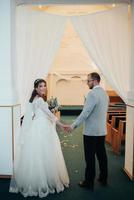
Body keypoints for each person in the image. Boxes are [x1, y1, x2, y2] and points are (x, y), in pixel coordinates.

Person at [9, 79, 69, 198]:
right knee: (43, 153)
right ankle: (43, 181)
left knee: (37, 154)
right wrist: (62, 125)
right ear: (36, 88)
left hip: (36, 126)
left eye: (44, 86)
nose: (43, 88)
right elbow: (49, 114)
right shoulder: (40, 100)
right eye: (40, 86)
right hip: (42, 127)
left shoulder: (34, 99)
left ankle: (37, 179)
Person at [64, 72, 109, 191]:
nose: (87, 83)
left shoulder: (92, 94)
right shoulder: (105, 94)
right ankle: (103, 178)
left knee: (90, 158)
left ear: (94, 81)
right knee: (102, 155)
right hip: (101, 131)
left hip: (91, 132)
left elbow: (85, 113)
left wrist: (73, 125)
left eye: (88, 81)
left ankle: (89, 182)